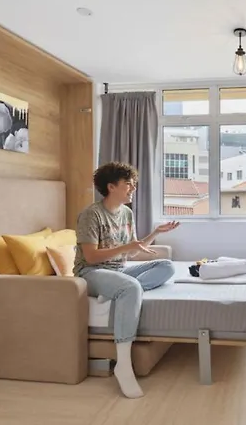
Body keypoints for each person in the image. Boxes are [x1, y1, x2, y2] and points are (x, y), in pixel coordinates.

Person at [73, 161, 180, 399]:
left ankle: (115, 291)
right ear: (111, 187)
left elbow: (131, 252)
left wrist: (155, 233)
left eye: (133, 184)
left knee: (166, 266)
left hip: (118, 271)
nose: (133, 188)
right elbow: (90, 257)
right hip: (91, 272)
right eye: (128, 184)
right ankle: (123, 364)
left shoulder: (127, 213)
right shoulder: (91, 215)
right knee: (130, 287)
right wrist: (126, 248)